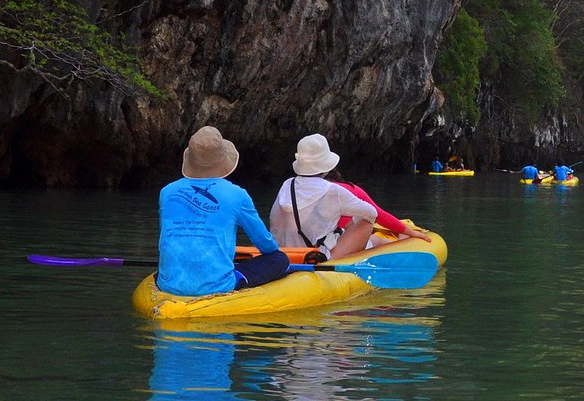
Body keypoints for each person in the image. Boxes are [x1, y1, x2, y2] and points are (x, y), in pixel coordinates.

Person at [157, 126, 290, 296]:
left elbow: (168, 240)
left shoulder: (166, 192)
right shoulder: (237, 195)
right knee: (279, 259)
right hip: (217, 287)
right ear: (222, 161)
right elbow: (266, 245)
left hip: (169, 285)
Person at [271, 134, 432, 259]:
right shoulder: (336, 191)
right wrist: (412, 233)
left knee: (369, 238)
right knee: (366, 221)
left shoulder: (287, 185)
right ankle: (396, 243)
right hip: (315, 256)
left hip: (286, 252)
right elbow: (373, 214)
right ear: (327, 167)